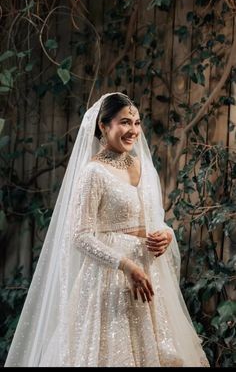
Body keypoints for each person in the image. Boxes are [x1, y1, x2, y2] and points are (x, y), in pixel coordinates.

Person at [4, 92, 210, 367]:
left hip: (149, 276)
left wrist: (166, 233)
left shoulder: (142, 165)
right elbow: (80, 235)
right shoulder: (93, 173)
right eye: (125, 122)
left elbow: (153, 218)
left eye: (137, 123)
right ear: (104, 125)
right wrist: (125, 265)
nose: (133, 130)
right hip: (111, 280)